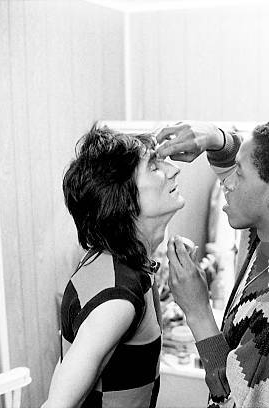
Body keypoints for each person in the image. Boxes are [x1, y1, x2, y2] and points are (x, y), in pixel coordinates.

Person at [157, 121, 269, 408]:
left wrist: (198, 311)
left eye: (239, 174)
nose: (227, 182)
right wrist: (216, 139)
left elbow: (235, 400)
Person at [42, 124, 185, 408]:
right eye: (154, 167)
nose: (173, 170)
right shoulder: (117, 298)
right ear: (124, 199)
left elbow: (66, 362)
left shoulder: (111, 261)